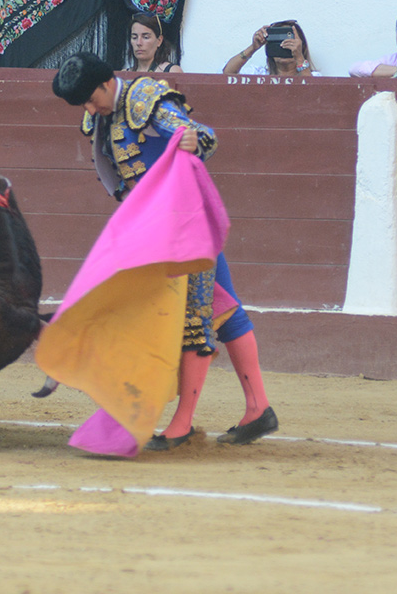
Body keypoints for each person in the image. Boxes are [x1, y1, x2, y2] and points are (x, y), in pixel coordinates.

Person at [52, 52, 279, 450]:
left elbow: (202, 135)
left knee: (195, 316)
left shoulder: (146, 99)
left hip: (184, 224)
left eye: (90, 99)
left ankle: (182, 423)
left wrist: (193, 139)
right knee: (224, 308)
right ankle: (258, 408)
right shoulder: (100, 116)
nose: (89, 109)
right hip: (155, 229)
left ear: (106, 83)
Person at [223, 20, 316, 77]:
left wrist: (299, 58)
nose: (283, 45)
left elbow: (312, 91)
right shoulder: (258, 74)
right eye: (277, 42)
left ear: (301, 46)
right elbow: (227, 74)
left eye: (290, 42)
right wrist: (253, 48)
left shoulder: (314, 76)